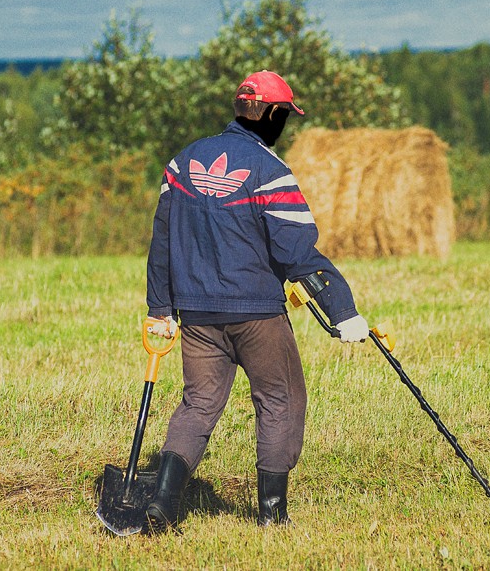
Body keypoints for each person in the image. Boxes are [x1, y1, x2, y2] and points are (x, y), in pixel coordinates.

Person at [143, 70, 369, 533]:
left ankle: (162, 503)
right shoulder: (270, 171)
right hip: (257, 316)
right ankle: (272, 516)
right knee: (280, 398)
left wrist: (160, 309)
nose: (284, 122)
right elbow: (296, 252)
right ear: (270, 113)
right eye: (284, 114)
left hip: (198, 316)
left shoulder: (181, 163)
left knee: (198, 404)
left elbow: (161, 242)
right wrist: (344, 312)